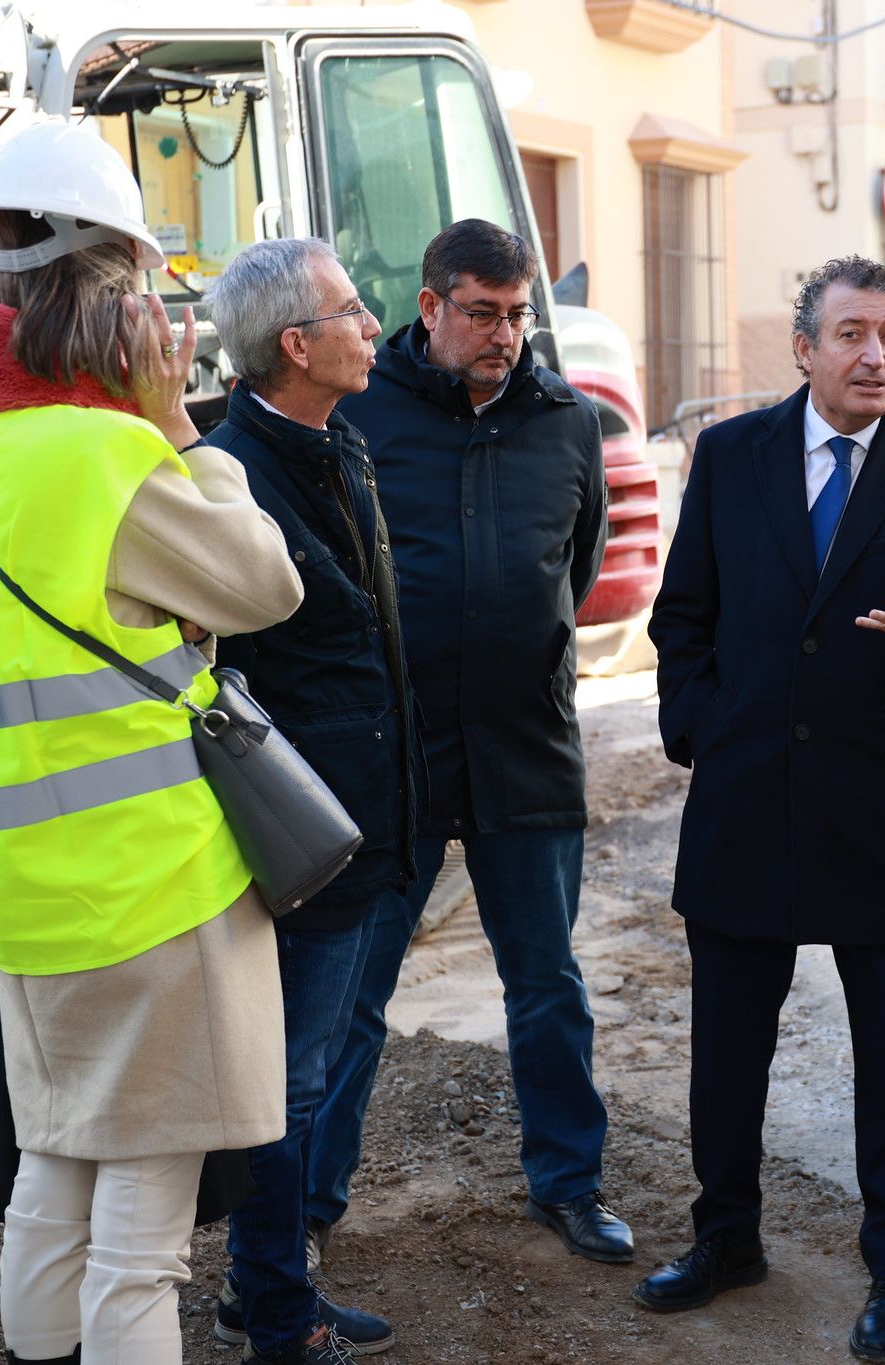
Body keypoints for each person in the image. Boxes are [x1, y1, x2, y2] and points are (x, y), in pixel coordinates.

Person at [0, 119, 304, 1365]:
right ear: (108, 295)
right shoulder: (106, 454)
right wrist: (172, 428)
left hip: (19, 897)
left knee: (54, 1183)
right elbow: (263, 584)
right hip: (155, 888)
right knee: (141, 1236)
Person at [640, 256, 885, 1363]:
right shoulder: (734, 453)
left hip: (877, 807)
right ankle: (726, 1236)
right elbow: (682, 614)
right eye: (851, 333)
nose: (876, 355)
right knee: (727, 1051)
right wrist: (704, 724)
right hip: (746, 798)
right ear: (801, 349)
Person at [311, 219, 625, 1264]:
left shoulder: (565, 421)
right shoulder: (361, 414)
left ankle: (568, 1185)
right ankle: (309, 1207)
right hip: (390, 757)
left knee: (546, 983)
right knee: (355, 993)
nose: (503, 334)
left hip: (523, 748)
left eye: (517, 312)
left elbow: (569, 577)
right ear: (430, 309)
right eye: (481, 313)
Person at [202, 236, 414, 1364]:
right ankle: (274, 1312)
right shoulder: (232, 472)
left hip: (360, 813)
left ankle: (267, 1288)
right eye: (350, 309)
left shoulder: (335, 446)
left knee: (306, 1068)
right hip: (299, 830)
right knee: (283, 1080)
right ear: (296, 344)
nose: (370, 324)